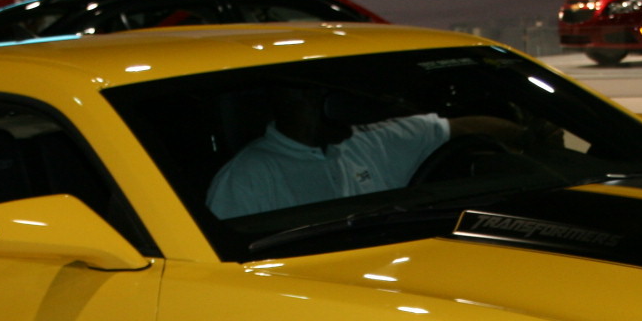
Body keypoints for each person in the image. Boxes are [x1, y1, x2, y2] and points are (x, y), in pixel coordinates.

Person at [205, 83, 545, 220]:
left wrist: (531, 138)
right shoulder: (247, 178)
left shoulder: (374, 140)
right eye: (334, 96)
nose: (351, 107)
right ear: (295, 101)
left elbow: (464, 129)